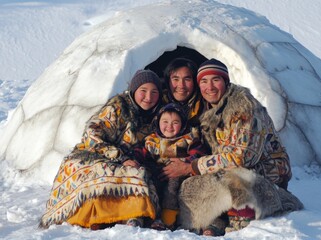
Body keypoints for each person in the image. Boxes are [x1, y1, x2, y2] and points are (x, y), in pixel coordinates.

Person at [162, 58, 297, 236]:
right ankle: (210, 222)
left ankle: (247, 217)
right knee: (191, 185)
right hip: (226, 169)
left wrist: (191, 166)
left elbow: (240, 158)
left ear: (226, 81)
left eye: (215, 80)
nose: (209, 87)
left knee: (235, 179)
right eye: (204, 81)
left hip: (264, 171)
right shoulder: (210, 109)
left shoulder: (243, 108)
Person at [39, 70, 163, 230]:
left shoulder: (156, 117)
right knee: (100, 174)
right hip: (92, 155)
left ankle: (129, 216)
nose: (149, 97)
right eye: (143, 91)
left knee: (139, 175)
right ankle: (93, 216)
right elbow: (92, 135)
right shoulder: (118, 107)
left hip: (130, 161)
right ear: (134, 91)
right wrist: (121, 158)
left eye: (154, 92)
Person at [133, 102, 209, 230]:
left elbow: (199, 153)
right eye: (165, 122)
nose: (169, 126)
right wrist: (134, 160)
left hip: (177, 175)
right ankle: (143, 216)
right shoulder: (152, 140)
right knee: (146, 184)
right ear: (158, 123)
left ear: (182, 124)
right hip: (156, 173)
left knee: (171, 188)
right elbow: (140, 152)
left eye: (175, 122)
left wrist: (188, 161)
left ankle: (167, 218)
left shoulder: (188, 139)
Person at [163, 57, 204, 127]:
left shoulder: (205, 106)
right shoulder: (157, 104)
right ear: (168, 81)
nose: (181, 85)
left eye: (187, 79)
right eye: (176, 79)